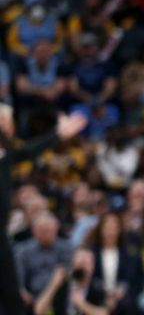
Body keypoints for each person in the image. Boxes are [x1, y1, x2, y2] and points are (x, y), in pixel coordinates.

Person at [0, 106, 87, 315]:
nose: (10, 127)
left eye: (10, 122)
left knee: (13, 301)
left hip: (1, 239)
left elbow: (29, 151)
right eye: (5, 121)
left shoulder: (5, 156)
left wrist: (58, 134)